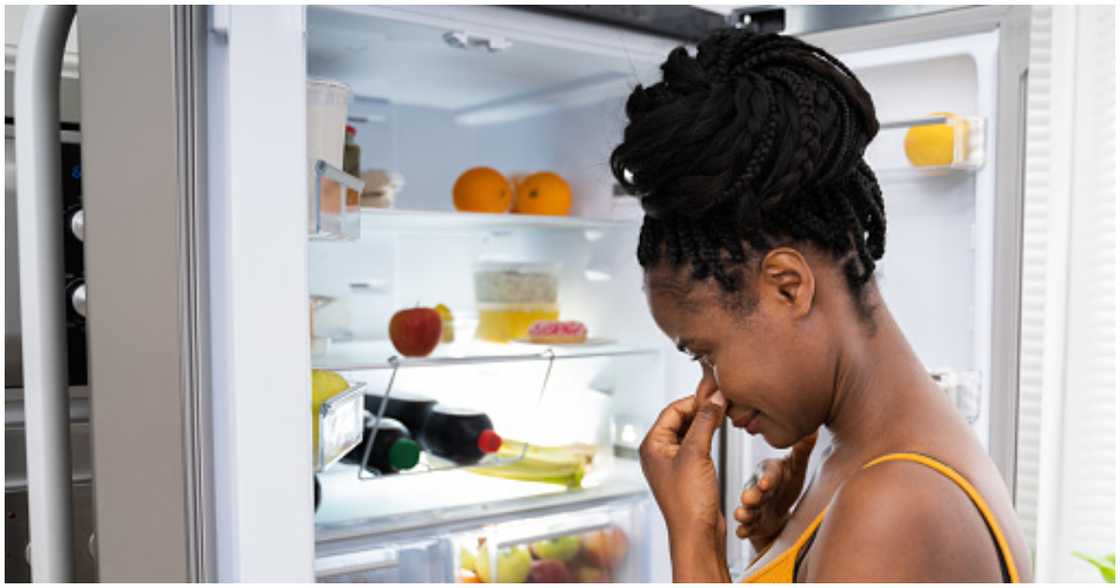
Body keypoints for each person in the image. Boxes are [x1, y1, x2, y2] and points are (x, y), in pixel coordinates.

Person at [609, 28, 1032, 582]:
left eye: (705, 353)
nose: (710, 392)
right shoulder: (865, 459)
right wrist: (781, 550)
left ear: (788, 285)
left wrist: (695, 539)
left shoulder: (893, 506)